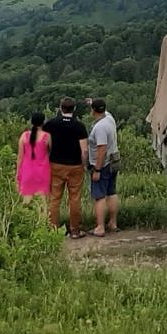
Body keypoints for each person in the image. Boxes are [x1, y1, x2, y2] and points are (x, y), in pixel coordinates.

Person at [43, 97, 88, 238]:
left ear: (60, 108)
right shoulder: (79, 126)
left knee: (54, 198)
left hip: (55, 164)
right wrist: (85, 164)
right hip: (75, 166)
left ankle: (53, 230)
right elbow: (84, 150)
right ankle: (75, 230)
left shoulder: (50, 124)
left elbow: (45, 145)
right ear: (74, 109)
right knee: (74, 198)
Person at [86, 98, 120, 237]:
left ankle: (100, 227)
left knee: (99, 196)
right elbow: (104, 110)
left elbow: (101, 148)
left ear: (93, 110)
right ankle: (113, 223)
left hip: (103, 164)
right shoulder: (109, 118)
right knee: (111, 193)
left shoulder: (99, 128)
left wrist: (97, 170)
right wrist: (92, 102)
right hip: (114, 161)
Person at [15, 112, 51, 206]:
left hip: (27, 172)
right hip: (42, 173)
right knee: (42, 204)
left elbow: (20, 157)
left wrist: (18, 174)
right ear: (44, 122)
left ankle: (28, 221)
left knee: (26, 203)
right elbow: (51, 153)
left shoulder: (24, 136)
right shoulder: (47, 136)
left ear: (31, 122)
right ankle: (42, 221)